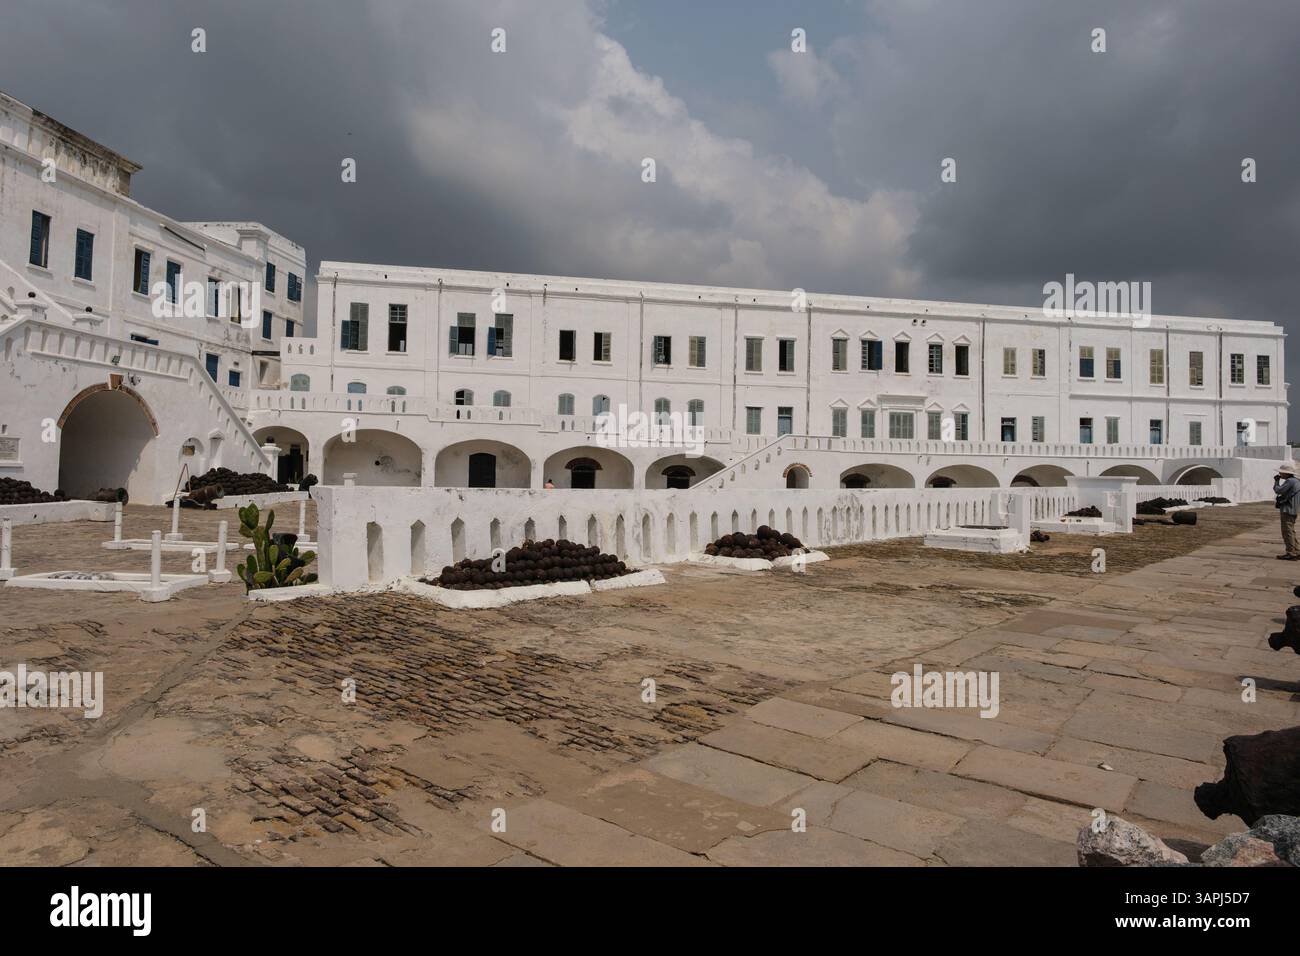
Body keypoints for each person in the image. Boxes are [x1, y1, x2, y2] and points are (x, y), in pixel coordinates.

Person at [1274, 463, 1300, 559]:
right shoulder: (1297, 481)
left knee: (1287, 532)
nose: (1280, 474)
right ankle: (1296, 551)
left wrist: (1276, 482)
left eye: (1281, 472)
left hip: (1287, 509)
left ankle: (1290, 553)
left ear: (1286, 473)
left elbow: (1278, 490)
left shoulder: (1289, 481)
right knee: (1291, 531)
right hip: (1294, 509)